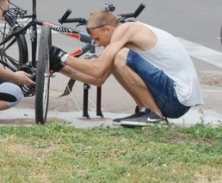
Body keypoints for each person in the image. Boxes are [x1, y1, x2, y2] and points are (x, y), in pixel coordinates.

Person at [49, 9, 203, 127]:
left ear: (108, 29)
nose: (97, 44)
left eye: (97, 38)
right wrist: (61, 66)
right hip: (173, 99)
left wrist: (64, 57)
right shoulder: (123, 39)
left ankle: (153, 114)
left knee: (121, 56)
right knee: (118, 60)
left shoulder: (127, 29)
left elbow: (97, 69)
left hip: (178, 98)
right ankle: (146, 112)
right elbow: (97, 79)